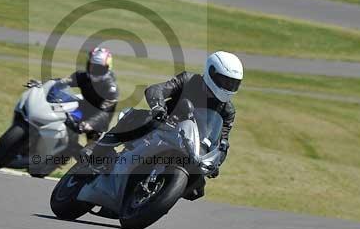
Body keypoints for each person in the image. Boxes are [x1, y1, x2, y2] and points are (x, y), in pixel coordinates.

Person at [83, 51, 243, 178]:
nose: (228, 87)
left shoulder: (227, 111)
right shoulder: (189, 80)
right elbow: (156, 89)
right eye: (225, 81)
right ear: (211, 72)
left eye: (233, 83)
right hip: (163, 126)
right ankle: (97, 153)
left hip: (192, 147)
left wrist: (216, 162)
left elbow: (222, 142)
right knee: (137, 117)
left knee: (197, 186)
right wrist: (158, 108)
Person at [27, 46, 119, 142]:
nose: (94, 70)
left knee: (91, 152)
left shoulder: (111, 89)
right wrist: (43, 84)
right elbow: (62, 82)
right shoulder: (83, 76)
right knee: (56, 112)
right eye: (92, 66)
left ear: (107, 68)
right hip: (82, 109)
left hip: (98, 120)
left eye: (99, 68)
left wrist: (90, 123)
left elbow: (104, 112)